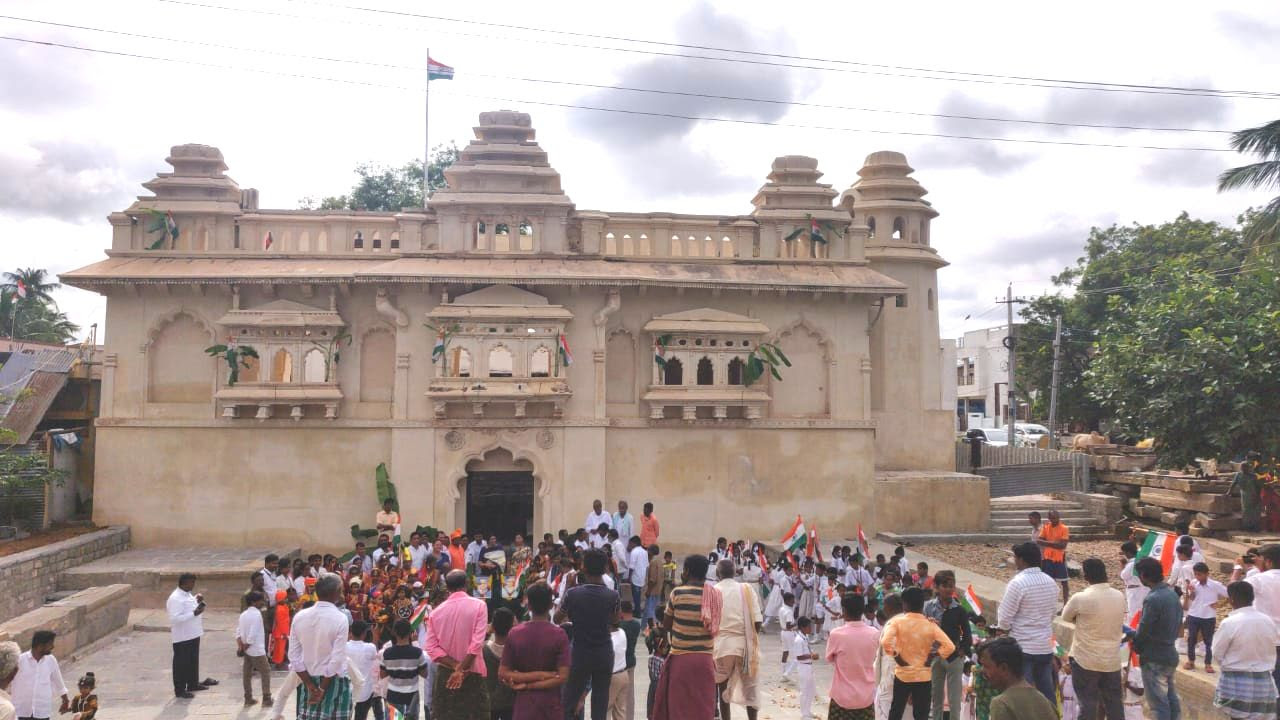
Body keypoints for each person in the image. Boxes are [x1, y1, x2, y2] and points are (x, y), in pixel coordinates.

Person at [652, 554, 720, 720]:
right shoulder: (715, 595)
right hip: (705, 660)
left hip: (681, 660)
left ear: (686, 571)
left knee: (679, 708)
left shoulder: (678, 593)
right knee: (703, 708)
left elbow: (666, 625)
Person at [558, 549, 621, 720]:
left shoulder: (573, 593)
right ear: (606, 568)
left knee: (569, 701)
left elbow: (557, 617)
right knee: (600, 702)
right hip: (603, 652)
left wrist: (569, 588)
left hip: (580, 652)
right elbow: (616, 620)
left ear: (583, 567)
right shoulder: (613, 595)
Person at [1060, 557, 1126, 720]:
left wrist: (1081, 620)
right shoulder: (1119, 596)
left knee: (1088, 704)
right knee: (1114, 704)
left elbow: (1066, 617)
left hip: (1085, 659)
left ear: (1086, 576)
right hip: (1111, 659)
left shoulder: (1080, 598)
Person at [996, 542, 1059, 705]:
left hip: (1023, 647)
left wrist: (1003, 630)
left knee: (1024, 697)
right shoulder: (1051, 582)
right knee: (1046, 694)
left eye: (1015, 558)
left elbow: (1004, 618)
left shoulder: (1017, 583)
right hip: (1044, 647)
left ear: (1022, 560)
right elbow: (1052, 614)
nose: (1014, 561)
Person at [499, 581, 571, 720]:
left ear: (529, 605)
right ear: (551, 605)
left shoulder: (515, 633)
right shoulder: (559, 634)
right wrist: (541, 675)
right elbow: (563, 676)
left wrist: (526, 684)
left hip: (524, 706)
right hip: (550, 707)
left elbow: (503, 673)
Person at [882, 586, 955, 720]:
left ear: (904, 604)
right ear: (923, 604)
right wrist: (933, 655)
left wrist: (896, 656)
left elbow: (885, 642)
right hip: (924, 675)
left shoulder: (896, 622)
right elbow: (950, 647)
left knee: (896, 711)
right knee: (921, 715)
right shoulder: (930, 624)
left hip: (903, 673)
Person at [426, 570, 490, 720]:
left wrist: (456, 667)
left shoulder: (435, 613)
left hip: (446, 676)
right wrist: (461, 669)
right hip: (472, 673)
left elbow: (431, 647)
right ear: (466, 584)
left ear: (447, 587)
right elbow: (477, 643)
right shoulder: (479, 605)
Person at [288, 575, 353, 720]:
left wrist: (310, 685)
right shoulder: (340, 618)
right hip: (334, 682)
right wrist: (322, 689)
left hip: (308, 679)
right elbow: (337, 660)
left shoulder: (299, 616)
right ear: (336, 592)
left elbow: (294, 657)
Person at [1211, 581, 1279, 719]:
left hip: (1237, 684)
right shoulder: (1268, 621)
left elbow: (1217, 653)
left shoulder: (1230, 623)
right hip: (1264, 684)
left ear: (1231, 600)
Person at [1132, 557, 1182, 720]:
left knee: (1159, 705)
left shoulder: (1153, 598)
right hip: (1169, 653)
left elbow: (1144, 628)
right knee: (1170, 699)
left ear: (1144, 576)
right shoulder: (1172, 594)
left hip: (1154, 656)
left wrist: (1136, 645)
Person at [712, 558, 762, 720]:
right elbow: (758, 621)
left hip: (721, 646)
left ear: (717, 574)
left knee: (723, 689)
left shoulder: (713, 591)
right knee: (750, 690)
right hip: (744, 647)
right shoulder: (746, 589)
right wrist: (750, 641)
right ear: (734, 573)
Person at [923, 572, 970, 720]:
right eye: (945, 586)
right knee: (936, 695)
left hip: (954, 656)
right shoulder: (928, 607)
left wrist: (962, 650)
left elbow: (966, 633)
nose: (949, 589)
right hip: (935, 656)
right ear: (936, 587)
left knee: (954, 697)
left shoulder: (959, 609)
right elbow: (921, 631)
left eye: (952, 586)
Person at [825, 592, 879, 720]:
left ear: (843, 610)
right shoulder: (874, 633)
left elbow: (830, 658)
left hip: (841, 697)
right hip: (866, 697)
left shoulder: (836, 634)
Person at [977, 637, 1058, 720]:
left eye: (986, 666)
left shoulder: (1002, 703)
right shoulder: (1046, 702)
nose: (982, 671)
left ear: (1003, 668)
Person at [167, 573, 215, 699]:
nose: (193, 585)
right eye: (191, 583)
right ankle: (180, 689)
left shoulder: (187, 594)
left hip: (193, 633)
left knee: (193, 661)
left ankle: (193, 683)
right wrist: (194, 613)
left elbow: (187, 606)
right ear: (184, 583)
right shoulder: (175, 598)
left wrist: (196, 600)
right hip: (182, 637)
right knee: (181, 663)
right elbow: (175, 619)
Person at [1241, 543, 1280, 696]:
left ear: (1268, 561)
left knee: (1259, 683)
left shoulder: (1257, 579)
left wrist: (1240, 569)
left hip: (1263, 639)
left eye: (1260, 559)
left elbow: (1236, 592)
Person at [10, 629, 69, 720]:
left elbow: (58, 682)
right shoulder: (20, 660)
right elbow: (6, 680)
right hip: (21, 711)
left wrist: (65, 700)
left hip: (42, 711)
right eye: (50, 644)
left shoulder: (51, 660)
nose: (53, 646)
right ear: (40, 645)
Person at [1182, 561, 1229, 673]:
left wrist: (1220, 604)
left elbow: (1229, 594)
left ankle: (1208, 663)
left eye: (1200, 574)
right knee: (1191, 639)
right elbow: (1192, 598)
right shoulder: (1194, 583)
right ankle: (1191, 660)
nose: (1198, 577)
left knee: (1208, 641)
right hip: (1194, 614)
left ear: (1207, 573)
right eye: (1196, 574)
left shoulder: (1215, 585)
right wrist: (1191, 591)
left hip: (1208, 616)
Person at [383, 619, 430, 720]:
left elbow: (382, 674)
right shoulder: (417, 653)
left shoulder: (387, 653)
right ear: (410, 632)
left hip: (393, 695)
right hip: (412, 696)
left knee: (394, 718)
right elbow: (425, 674)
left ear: (394, 632)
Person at [237, 590, 273, 708]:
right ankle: (266, 698)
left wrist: (241, 647)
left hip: (247, 649)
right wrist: (246, 645)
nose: (262, 602)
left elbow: (238, 632)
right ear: (253, 602)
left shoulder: (243, 614)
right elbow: (252, 635)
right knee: (266, 671)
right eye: (260, 600)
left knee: (247, 674)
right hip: (256, 649)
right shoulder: (257, 614)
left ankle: (248, 698)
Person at [873, 593, 904, 719]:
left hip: (891, 677)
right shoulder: (897, 621)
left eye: (884, 605)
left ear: (889, 607)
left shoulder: (895, 624)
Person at [484, 608, 516, 720]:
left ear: (492, 627)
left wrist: (487, 633)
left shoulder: (483, 650)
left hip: (489, 703)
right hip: (511, 703)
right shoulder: (516, 651)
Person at [346, 621, 381, 720]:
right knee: (361, 716)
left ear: (351, 632)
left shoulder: (344, 646)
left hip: (347, 690)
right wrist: (375, 637)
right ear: (364, 634)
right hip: (365, 691)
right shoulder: (370, 647)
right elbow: (375, 656)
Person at [1037, 509, 1071, 605]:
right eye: (1052, 518)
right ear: (1049, 518)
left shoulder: (1064, 528)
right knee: (1048, 582)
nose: (1054, 520)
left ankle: (1065, 604)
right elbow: (1039, 541)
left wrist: (1046, 543)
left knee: (1064, 581)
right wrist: (1055, 544)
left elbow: (1062, 546)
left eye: (1056, 517)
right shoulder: (1046, 527)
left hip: (1059, 558)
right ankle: (1049, 603)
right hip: (1047, 557)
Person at [606, 617, 630, 720]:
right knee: (620, 710)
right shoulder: (622, 632)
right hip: (623, 674)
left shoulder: (609, 639)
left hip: (612, 676)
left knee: (605, 709)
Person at [793, 617, 816, 720]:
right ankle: (804, 714)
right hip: (803, 667)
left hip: (808, 666)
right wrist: (811, 656)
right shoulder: (798, 640)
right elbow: (799, 656)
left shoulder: (805, 637)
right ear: (802, 627)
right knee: (804, 690)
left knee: (811, 690)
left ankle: (808, 711)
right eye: (808, 626)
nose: (810, 628)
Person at [1118, 541, 1146, 617]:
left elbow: (1123, 576)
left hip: (1135, 591)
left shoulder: (1131, 564)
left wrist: (1122, 566)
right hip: (1143, 588)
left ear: (1128, 552)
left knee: (1134, 614)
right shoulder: (1142, 559)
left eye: (1125, 553)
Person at [625, 536, 648, 620]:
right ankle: (637, 610)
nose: (629, 545)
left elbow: (632, 566)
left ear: (633, 543)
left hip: (635, 576)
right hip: (642, 576)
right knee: (637, 595)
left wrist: (629, 577)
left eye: (630, 543)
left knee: (636, 595)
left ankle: (637, 612)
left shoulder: (634, 552)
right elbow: (646, 565)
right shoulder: (644, 551)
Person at [644, 545, 664, 628]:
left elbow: (653, 579)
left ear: (650, 552)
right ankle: (654, 627)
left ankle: (650, 628)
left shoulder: (653, 562)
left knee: (650, 611)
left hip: (652, 591)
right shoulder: (660, 560)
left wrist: (648, 591)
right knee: (654, 610)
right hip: (658, 590)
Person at [778, 592, 797, 679]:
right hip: (789, 632)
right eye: (792, 600)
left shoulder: (781, 609)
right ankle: (787, 673)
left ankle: (783, 671)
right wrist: (797, 623)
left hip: (783, 632)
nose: (793, 602)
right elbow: (789, 625)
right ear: (787, 600)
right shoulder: (789, 611)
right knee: (795, 655)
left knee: (785, 652)